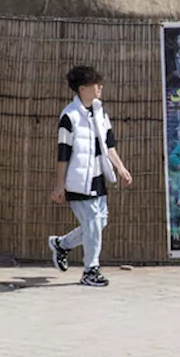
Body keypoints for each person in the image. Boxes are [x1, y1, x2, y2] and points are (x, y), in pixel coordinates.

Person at [48, 65, 133, 288]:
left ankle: (62, 244)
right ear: (83, 88)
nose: (100, 88)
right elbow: (63, 153)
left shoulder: (100, 112)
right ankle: (90, 270)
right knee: (93, 223)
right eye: (96, 84)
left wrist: (121, 168)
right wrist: (60, 186)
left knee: (99, 222)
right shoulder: (69, 117)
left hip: (97, 176)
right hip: (77, 180)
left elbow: (109, 145)